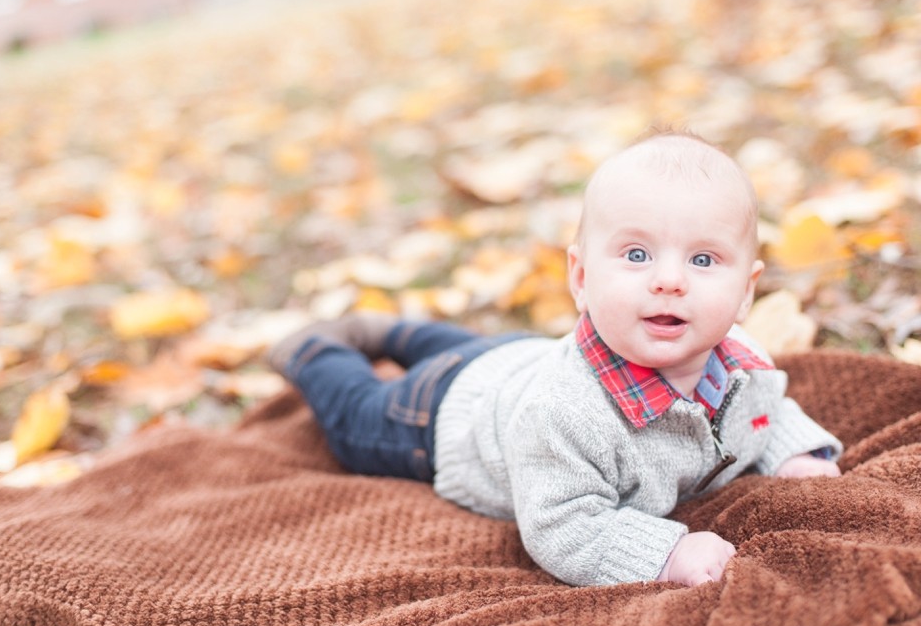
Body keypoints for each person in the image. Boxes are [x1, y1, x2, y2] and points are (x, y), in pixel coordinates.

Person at [267, 128, 843, 588]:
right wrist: (666, 553)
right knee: (355, 414)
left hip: (511, 356)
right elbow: (562, 526)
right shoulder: (565, 413)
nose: (669, 280)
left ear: (745, 291)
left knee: (463, 348)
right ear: (582, 278)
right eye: (636, 254)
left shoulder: (748, 365)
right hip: (438, 415)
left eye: (703, 260)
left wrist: (794, 453)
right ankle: (315, 350)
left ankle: (393, 331)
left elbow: (764, 412)